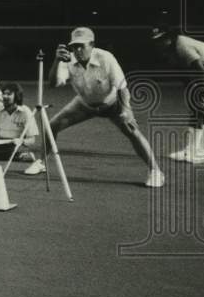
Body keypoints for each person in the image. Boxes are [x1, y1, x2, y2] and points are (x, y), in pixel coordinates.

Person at [48, 27, 164, 188]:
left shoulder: (106, 57)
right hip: (84, 104)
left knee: (132, 129)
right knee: (51, 125)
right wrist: (56, 61)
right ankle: (41, 163)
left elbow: (122, 86)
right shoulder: (67, 60)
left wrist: (126, 111)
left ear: (92, 44)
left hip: (111, 103)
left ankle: (156, 171)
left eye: (82, 45)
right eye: (75, 46)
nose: (78, 50)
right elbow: (53, 83)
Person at [151, 25, 204, 164]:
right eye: (157, 40)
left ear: (170, 37)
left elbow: (200, 70)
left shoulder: (181, 46)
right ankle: (190, 150)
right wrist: (192, 94)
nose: (160, 42)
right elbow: (183, 73)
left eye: (163, 39)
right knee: (195, 105)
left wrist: (201, 94)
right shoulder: (168, 50)